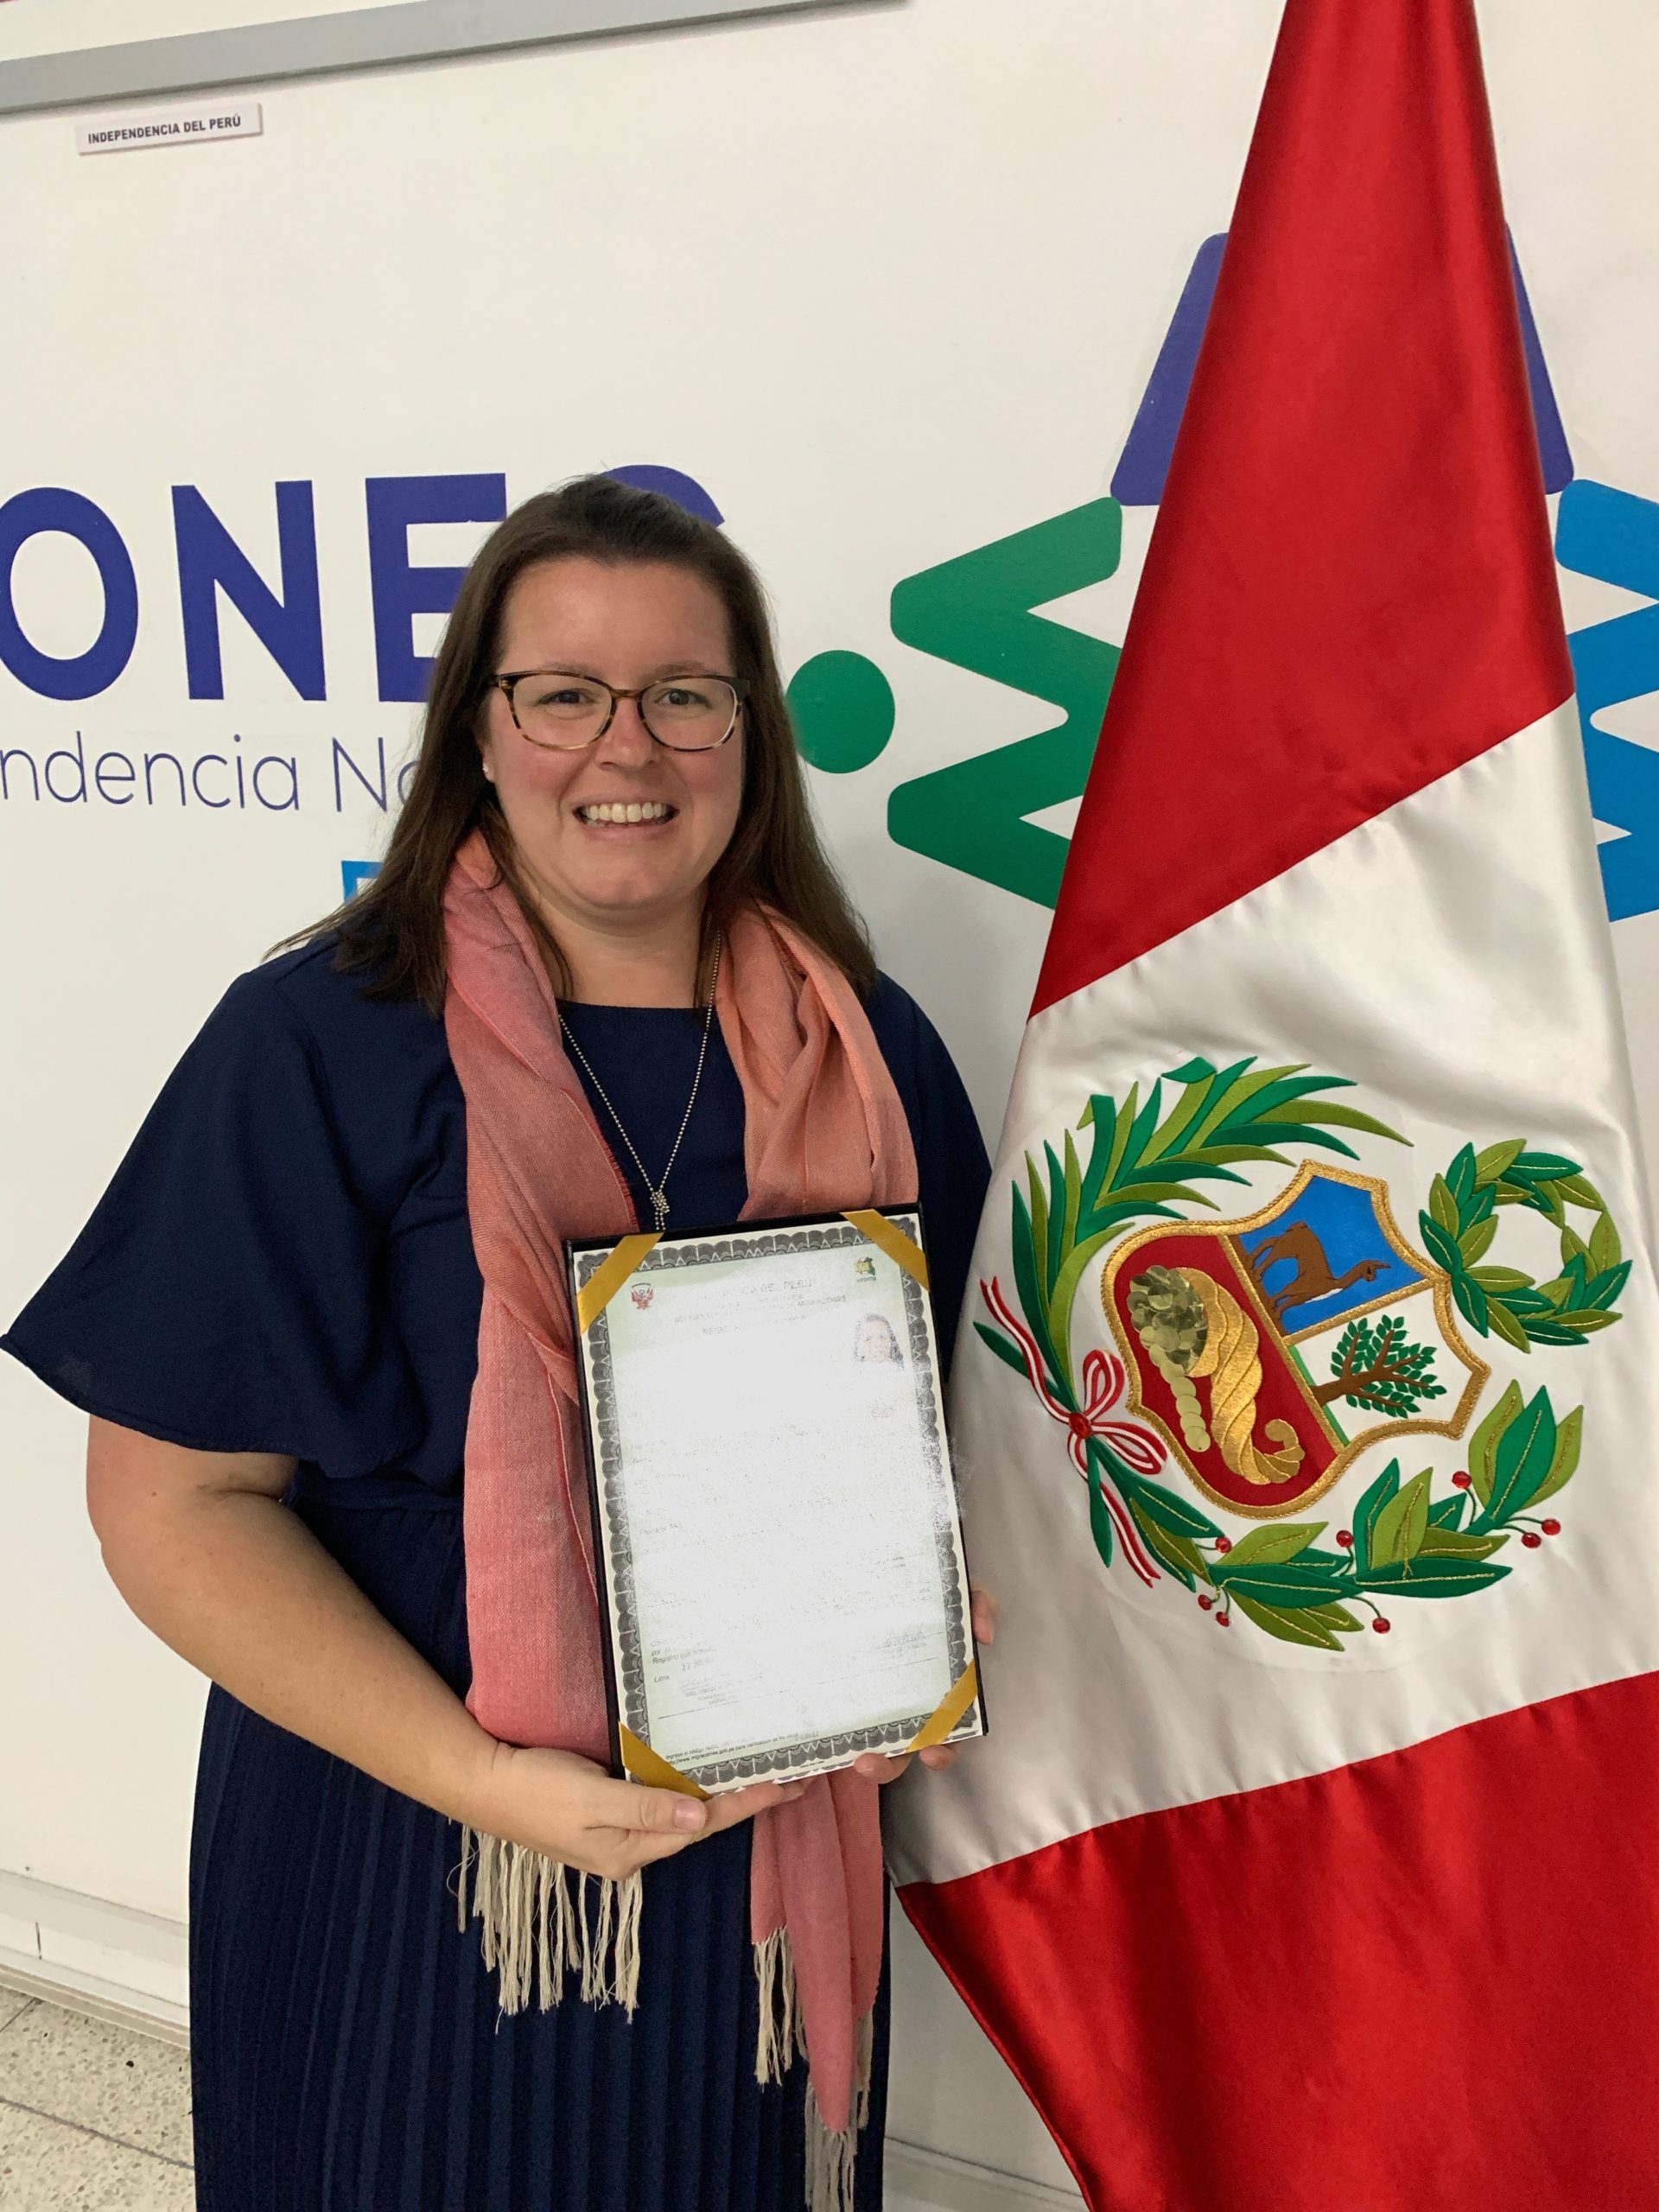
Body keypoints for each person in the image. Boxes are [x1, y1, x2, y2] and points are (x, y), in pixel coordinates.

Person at [1, 475, 995, 2212]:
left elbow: (952, 1435)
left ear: (749, 732)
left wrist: (918, 1637)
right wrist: (486, 1783)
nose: (629, 746)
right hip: (409, 1835)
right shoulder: (320, 1038)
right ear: (480, 726)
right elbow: (172, 1510)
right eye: (564, 694)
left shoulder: (864, 1044)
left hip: (758, 1846)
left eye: (684, 693)